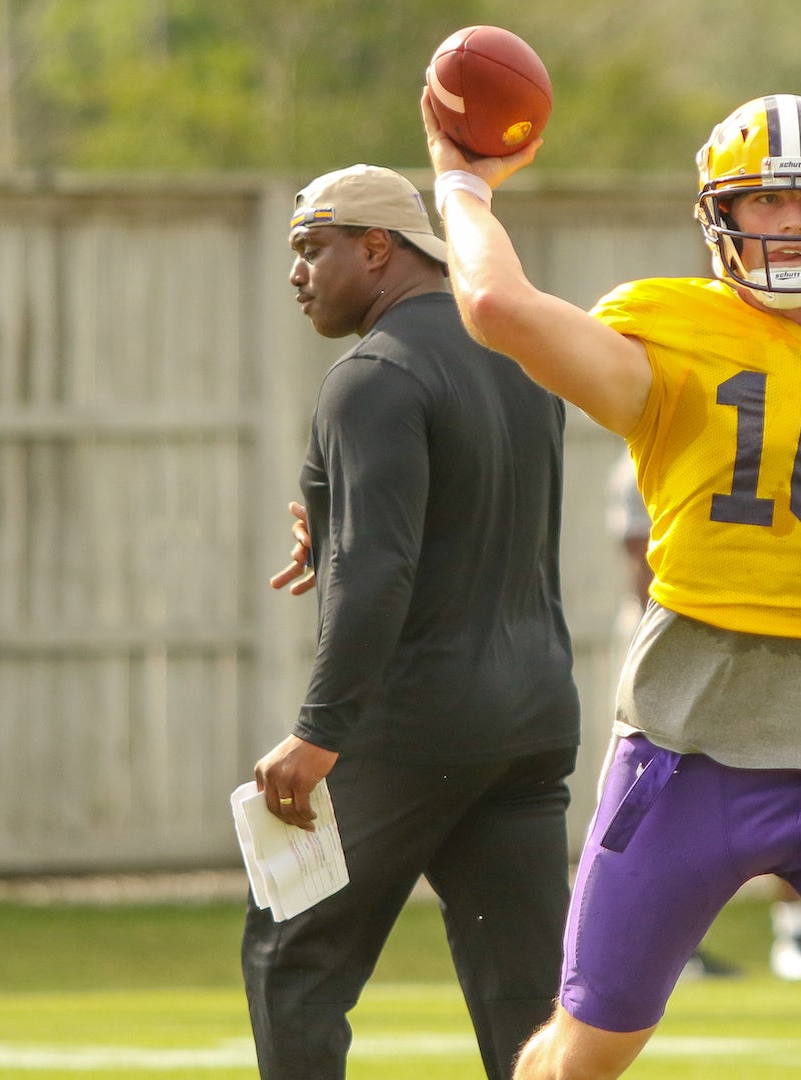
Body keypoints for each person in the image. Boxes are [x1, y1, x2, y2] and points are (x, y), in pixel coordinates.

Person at [423, 92, 801, 1080]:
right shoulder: (667, 331)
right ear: (720, 215)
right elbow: (496, 308)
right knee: (586, 1054)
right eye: (765, 201)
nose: (792, 224)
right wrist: (461, 185)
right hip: (688, 750)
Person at [243, 163, 582, 1080]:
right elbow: (465, 521)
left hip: (418, 722)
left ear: (378, 248)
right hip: (532, 723)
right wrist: (333, 518)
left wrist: (320, 732)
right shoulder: (522, 361)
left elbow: (377, 572)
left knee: (292, 957)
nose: (297, 273)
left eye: (313, 248)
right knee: (528, 1005)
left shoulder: (372, 375)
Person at [605, 455, 801, 983]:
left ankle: (793, 934)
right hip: (669, 658)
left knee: (786, 774)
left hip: (743, 647)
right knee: (653, 801)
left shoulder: (745, 447)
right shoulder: (642, 462)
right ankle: (662, 944)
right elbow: (648, 574)